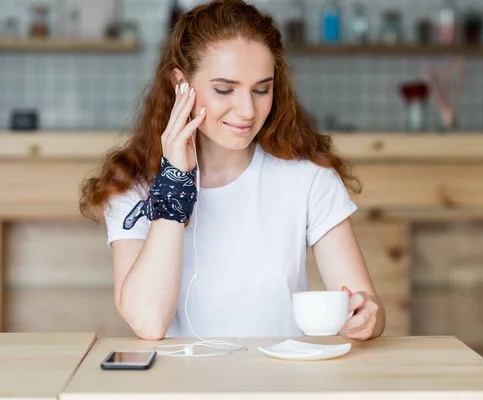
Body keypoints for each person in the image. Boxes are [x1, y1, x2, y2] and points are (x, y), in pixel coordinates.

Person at [80, 0, 385, 341]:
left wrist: (367, 317)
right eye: (225, 89)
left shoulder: (309, 177)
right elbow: (148, 322)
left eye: (261, 89)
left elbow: (366, 305)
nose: (246, 111)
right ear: (180, 84)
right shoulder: (132, 184)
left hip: (280, 386)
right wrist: (174, 183)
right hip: (179, 389)